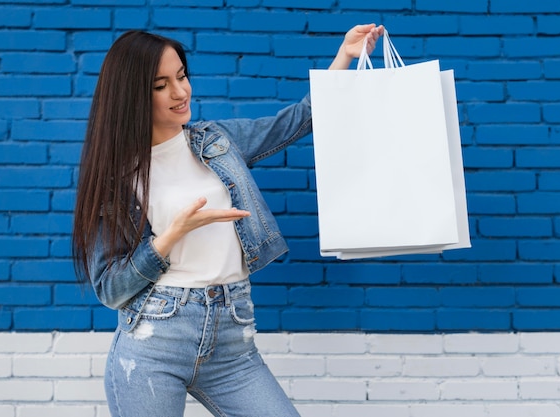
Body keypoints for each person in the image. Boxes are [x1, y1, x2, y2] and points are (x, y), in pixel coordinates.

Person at [72, 23, 383, 417]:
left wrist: (344, 57)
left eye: (182, 76)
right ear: (132, 95)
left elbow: (298, 121)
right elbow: (111, 289)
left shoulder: (216, 141)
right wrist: (169, 238)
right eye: (160, 85)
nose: (180, 92)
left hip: (232, 336)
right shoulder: (119, 176)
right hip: (156, 339)